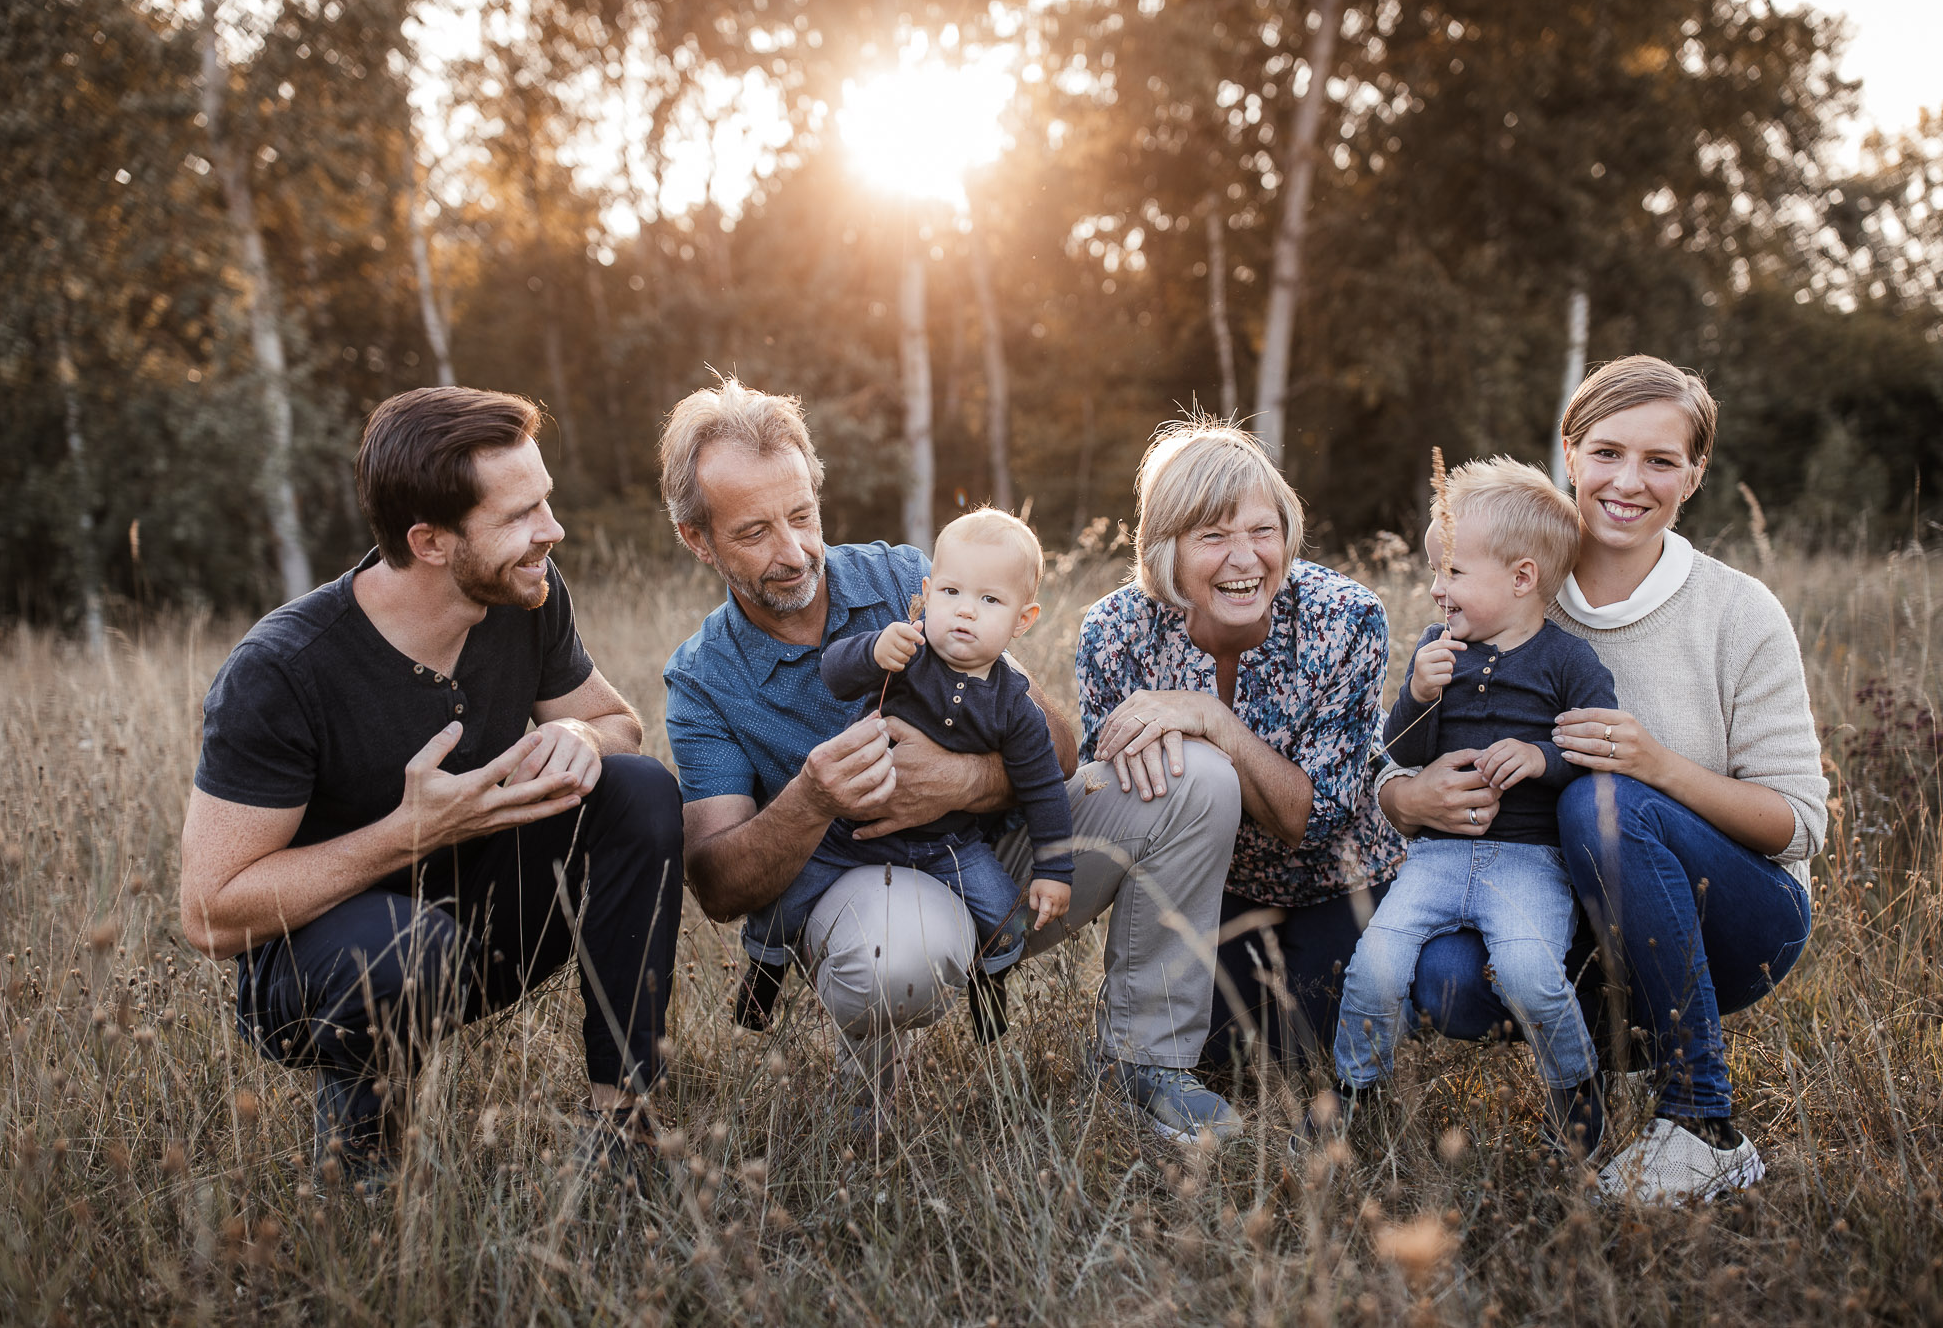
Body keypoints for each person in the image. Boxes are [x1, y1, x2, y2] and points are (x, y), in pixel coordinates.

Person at [660, 379, 1244, 1143]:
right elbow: (716, 884)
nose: (794, 550)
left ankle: (1149, 1065)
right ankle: (873, 1094)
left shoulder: (910, 579)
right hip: (861, 880)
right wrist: (810, 798)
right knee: (896, 954)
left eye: (803, 516)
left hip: (985, 848)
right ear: (697, 539)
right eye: (754, 532)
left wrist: (965, 779)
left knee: (1194, 779)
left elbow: (1058, 749)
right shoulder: (702, 678)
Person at [178, 387, 684, 1188]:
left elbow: (619, 725)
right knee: (401, 947)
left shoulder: (526, 592)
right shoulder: (282, 670)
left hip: (475, 927)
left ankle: (624, 1126)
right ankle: (362, 1153)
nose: (551, 531)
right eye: (522, 515)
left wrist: (579, 734)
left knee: (640, 791)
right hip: (322, 971)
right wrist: (407, 834)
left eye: (546, 501)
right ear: (431, 540)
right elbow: (210, 913)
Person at [1384, 356, 1827, 1202]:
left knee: (1603, 799)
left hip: (1738, 918)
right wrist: (1407, 796)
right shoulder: (1509, 583)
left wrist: (1659, 766)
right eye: (1608, 452)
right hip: (1561, 919)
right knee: (1440, 979)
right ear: (1571, 454)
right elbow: (1403, 755)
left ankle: (1702, 1121)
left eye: (1662, 461)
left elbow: (1798, 824)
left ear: (1695, 474)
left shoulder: (1739, 613)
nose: (1630, 481)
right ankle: (1582, 1097)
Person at [1075, 422, 1404, 1090]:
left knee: (1305, 1055)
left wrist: (1213, 721)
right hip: (1204, 893)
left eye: (1263, 530)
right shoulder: (1114, 631)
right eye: (1214, 535)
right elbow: (1117, 812)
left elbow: (1312, 823)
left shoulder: (1346, 619)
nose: (1246, 558)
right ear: (1165, 547)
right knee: (1213, 1051)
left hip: (1336, 887)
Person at [1331, 458, 1617, 1154]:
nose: (1435, 589)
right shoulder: (1438, 648)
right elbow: (1400, 749)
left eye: (1453, 572)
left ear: (1522, 578)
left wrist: (1542, 758)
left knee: (1528, 972)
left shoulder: (1568, 663)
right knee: (1374, 965)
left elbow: (1600, 746)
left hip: (1528, 861)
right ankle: (1352, 1090)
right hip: (1434, 856)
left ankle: (1577, 1089)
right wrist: (1418, 696)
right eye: (1435, 572)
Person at [733, 508, 1074, 1043]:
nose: (965, 612)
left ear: (1022, 620)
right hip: (849, 834)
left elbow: (1044, 788)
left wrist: (1056, 870)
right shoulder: (908, 653)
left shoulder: (1015, 706)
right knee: (785, 900)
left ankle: (991, 993)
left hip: (950, 845)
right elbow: (836, 675)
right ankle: (763, 978)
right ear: (927, 591)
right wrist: (872, 650)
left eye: (990, 601)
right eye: (952, 592)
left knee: (1006, 914)